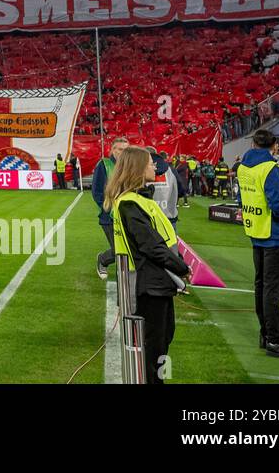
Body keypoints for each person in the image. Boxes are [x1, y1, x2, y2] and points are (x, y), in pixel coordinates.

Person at [106, 145, 192, 384]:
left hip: (159, 281)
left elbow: (163, 240)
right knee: (153, 348)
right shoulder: (129, 203)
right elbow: (151, 246)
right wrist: (182, 268)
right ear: (136, 169)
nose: (155, 165)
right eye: (150, 162)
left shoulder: (141, 200)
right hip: (147, 284)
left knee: (163, 341)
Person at [236, 130, 279, 362]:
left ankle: (267, 334)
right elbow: (278, 204)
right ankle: (275, 340)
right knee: (272, 290)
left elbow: (241, 198)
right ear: (274, 146)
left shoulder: (243, 167)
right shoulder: (270, 169)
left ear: (254, 143)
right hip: (275, 234)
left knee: (262, 286)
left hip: (257, 231)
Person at [93, 137, 129, 279]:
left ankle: (126, 275)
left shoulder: (130, 165)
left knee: (127, 248)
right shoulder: (104, 164)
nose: (123, 152)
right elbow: (96, 191)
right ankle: (102, 260)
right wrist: (107, 207)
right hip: (109, 215)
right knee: (117, 250)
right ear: (113, 150)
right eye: (120, 149)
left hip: (127, 214)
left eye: (126, 149)